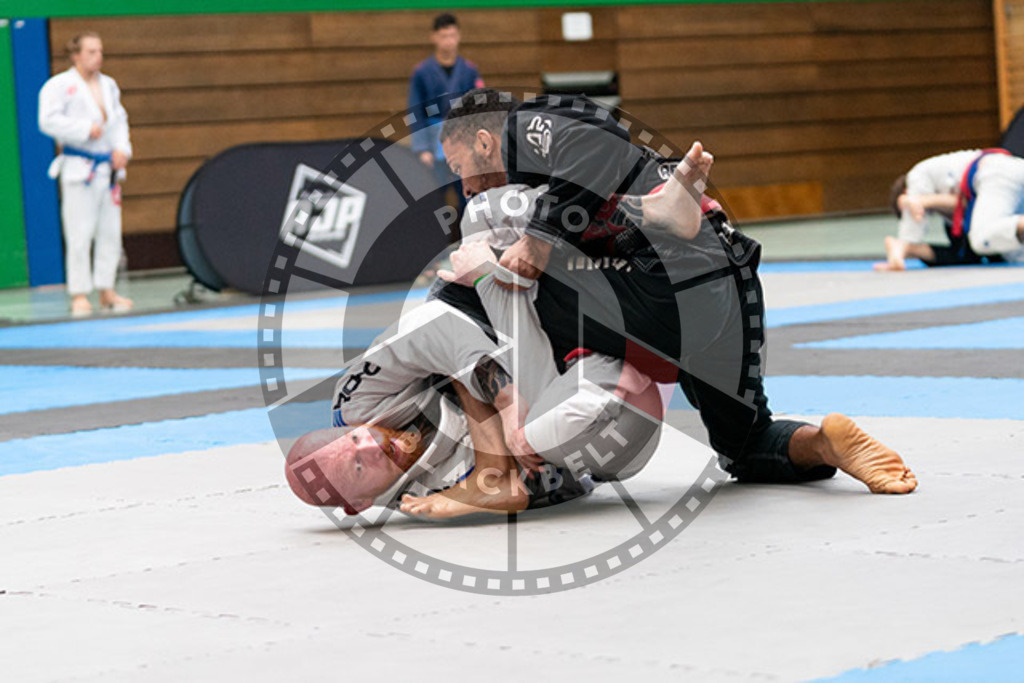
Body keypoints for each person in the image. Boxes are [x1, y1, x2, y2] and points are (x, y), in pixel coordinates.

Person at [436, 88, 917, 496]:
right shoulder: (551, 186)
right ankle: (824, 442)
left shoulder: (522, 127)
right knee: (746, 447)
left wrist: (538, 239)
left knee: (483, 281)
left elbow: (595, 140)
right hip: (726, 285)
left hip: (663, 285)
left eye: (460, 168)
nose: (466, 186)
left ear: (483, 142)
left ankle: (503, 454)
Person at [285, 241, 665, 518]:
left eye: (354, 438)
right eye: (358, 468)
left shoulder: (356, 401)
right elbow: (550, 479)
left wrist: (501, 414)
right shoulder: (426, 496)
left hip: (522, 310)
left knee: (473, 252)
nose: (369, 447)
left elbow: (435, 326)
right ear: (360, 505)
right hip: (615, 418)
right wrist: (495, 460)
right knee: (539, 434)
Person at [39, 31, 133, 317]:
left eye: (100, 51)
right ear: (76, 55)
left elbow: (119, 121)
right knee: (79, 233)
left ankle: (106, 289)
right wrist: (83, 129)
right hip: (79, 168)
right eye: (91, 51)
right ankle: (79, 292)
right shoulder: (59, 85)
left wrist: (122, 150)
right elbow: (47, 121)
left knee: (110, 232)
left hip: (107, 169)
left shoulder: (109, 85)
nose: (98, 57)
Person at [877, 149, 1024, 271]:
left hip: (998, 174)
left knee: (981, 238)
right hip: (1012, 173)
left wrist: (899, 252)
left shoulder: (917, 176)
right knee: (1012, 253)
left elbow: (912, 227)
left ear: (905, 192)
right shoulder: (944, 203)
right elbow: (963, 252)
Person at [408, 13, 484, 206]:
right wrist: (422, 148)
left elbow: (479, 109)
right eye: (444, 36)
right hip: (434, 143)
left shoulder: (469, 70)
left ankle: (471, 236)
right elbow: (416, 111)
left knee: (469, 197)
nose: (448, 41)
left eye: (452, 35)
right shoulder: (422, 72)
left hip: (463, 143)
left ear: (459, 36)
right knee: (435, 199)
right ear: (433, 37)